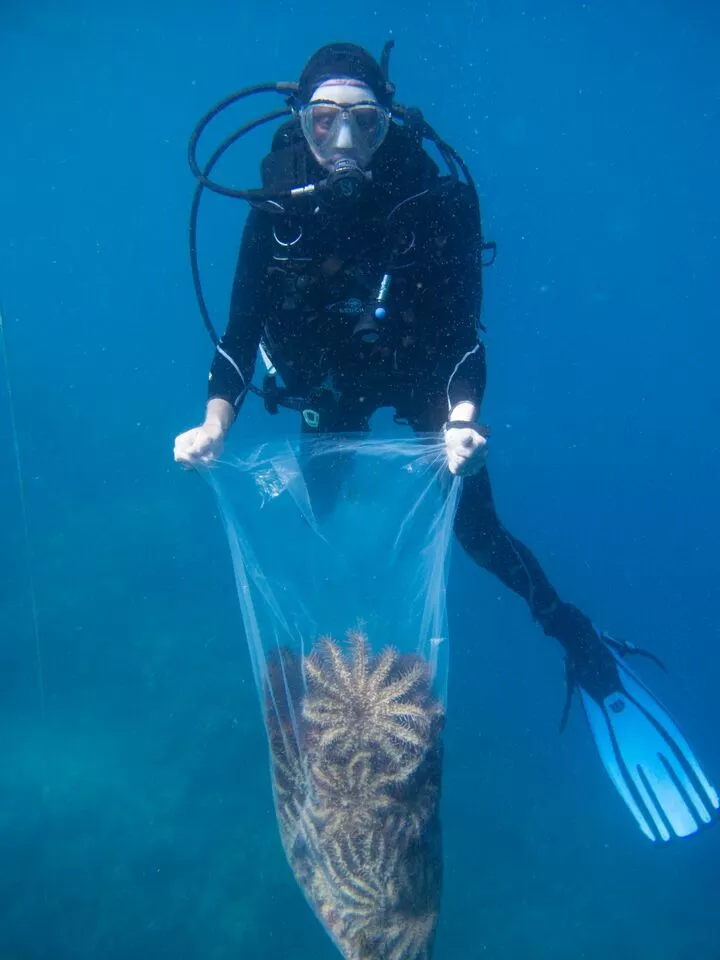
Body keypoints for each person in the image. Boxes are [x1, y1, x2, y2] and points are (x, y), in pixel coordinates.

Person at [174, 41, 718, 843]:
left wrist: (461, 417)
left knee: (478, 530)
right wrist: (216, 420)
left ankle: (576, 637)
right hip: (328, 385)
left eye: (364, 121)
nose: (346, 144)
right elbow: (239, 331)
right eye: (325, 123)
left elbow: (464, 337)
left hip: (420, 373)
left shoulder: (434, 201)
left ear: (390, 120)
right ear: (301, 122)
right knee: (326, 507)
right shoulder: (277, 210)